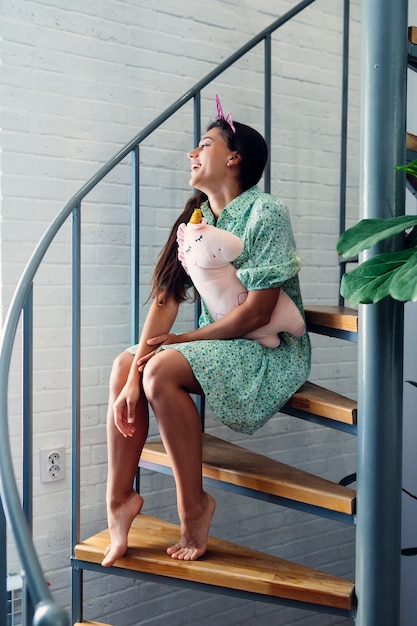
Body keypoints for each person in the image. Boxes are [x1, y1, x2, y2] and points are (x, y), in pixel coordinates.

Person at [102, 96, 311, 567]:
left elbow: (259, 314)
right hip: (217, 342)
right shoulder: (195, 219)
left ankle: (193, 506)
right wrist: (134, 373)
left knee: (158, 374)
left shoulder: (266, 213)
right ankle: (119, 500)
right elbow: (165, 301)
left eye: (204, 144)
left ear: (233, 158)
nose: (192, 154)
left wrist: (178, 346)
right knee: (125, 366)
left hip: (267, 347)